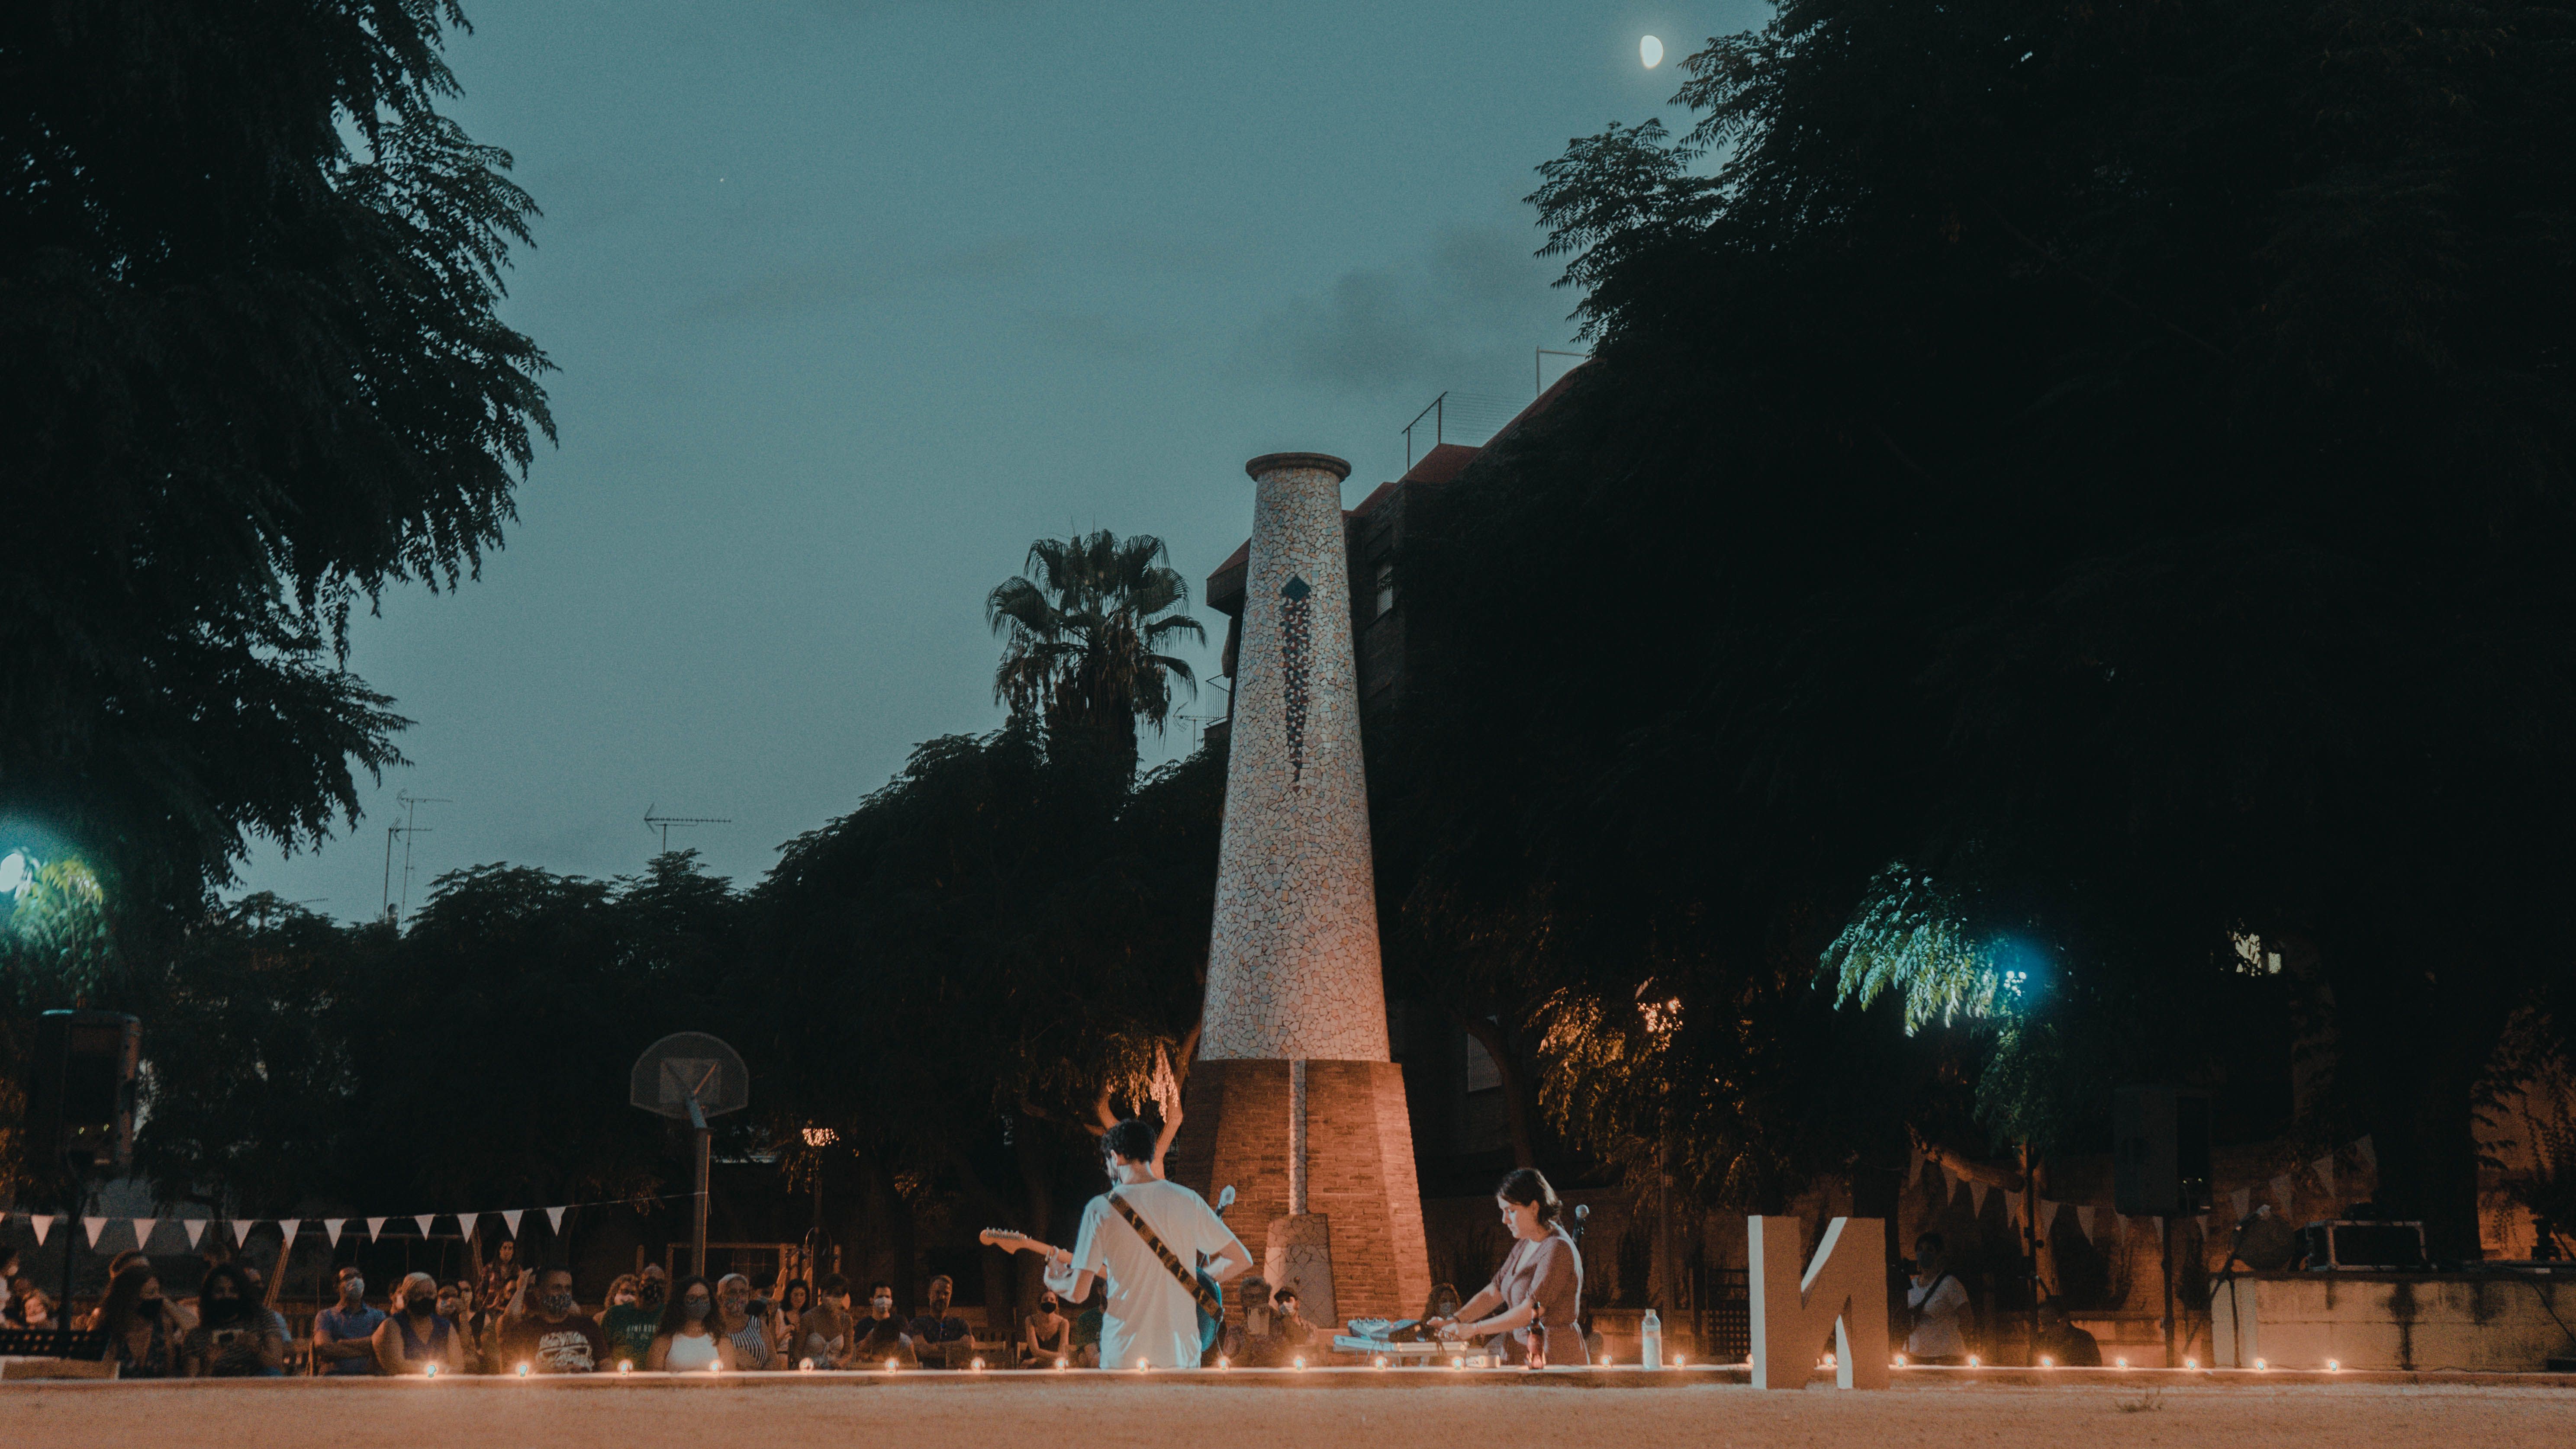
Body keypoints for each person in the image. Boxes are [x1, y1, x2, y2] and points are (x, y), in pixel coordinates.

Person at [1042, 1116, 1252, 1371]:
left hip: (1124, 1354)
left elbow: (1078, 1292)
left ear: (1115, 1157)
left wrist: (1054, 1280)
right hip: (1181, 1355)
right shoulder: (1188, 1200)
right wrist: (1192, 1280)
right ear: (1150, 1155)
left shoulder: (1100, 1208)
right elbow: (1241, 1259)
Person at [1426, 1167, 1588, 1366]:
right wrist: (1456, 1320)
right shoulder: (1525, 1244)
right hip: (1520, 1352)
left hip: (1553, 1357)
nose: (1504, 1220)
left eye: (1511, 1211)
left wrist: (1475, 1329)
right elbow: (1494, 1292)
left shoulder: (1557, 1249)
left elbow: (1530, 1312)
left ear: (1535, 1207)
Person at [183, 1262, 290, 1376]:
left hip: (256, 1388)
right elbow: (192, 1386)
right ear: (209, 1295)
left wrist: (257, 1350)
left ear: (242, 1293)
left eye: (233, 1291)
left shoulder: (262, 1318)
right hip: (217, 1390)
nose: (227, 1296)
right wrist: (209, 1364)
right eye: (220, 1291)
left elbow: (277, 1367)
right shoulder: (196, 1336)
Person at [498, 1264, 609, 1373]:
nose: (564, 1294)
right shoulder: (522, 1332)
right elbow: (511, 1374)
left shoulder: (588, 1326)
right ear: (538, 1293)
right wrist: (554, 1372)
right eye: (557, 1288)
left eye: (568, 1288)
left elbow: (606, 1365)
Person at [96, 1263, 182, 1378]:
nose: (159, 1298)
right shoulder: (109, 1331)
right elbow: (101, 1375)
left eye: (159, 1292)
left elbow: (170, 1373)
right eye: (151, 1293)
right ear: (131, 1299)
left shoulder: (163, 1326)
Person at [374, 1272, 467, 1375]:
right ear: (406, 1298)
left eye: (430, 1294)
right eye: (419, 1295)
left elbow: (458, 1366)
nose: (426, 1298)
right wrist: (438, 1369)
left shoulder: (445, 1326)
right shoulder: (392, 1325)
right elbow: (397, 1365)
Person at [646, 1275, 741, 1371]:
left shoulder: (721, 1341)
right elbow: (654, 1380)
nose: (699, 1303)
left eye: (704, 1298)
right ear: (680, 1302)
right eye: (692, 1298)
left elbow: (730, 1380)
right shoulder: (664, 1341)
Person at [1904, 1232, 1971, 1365]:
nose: (1924, 1254)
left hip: (1946, 1355)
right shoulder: (1912, 1286)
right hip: (1915, 1354)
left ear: (1939, 1255)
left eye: (1930, 1250)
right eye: (1920, 1250)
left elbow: (1968, 1320)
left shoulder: (1950, 1284)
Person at [311, 1266, 386, 1376]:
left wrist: (342, 1344)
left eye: (359, 1276)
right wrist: (367, 1351)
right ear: (336, 1287)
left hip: (368, 1378)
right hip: (334, 1377)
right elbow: (324, 1347)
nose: (355, 1280)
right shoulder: (326, 1316)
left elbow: (383, 1344)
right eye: (348, 1278)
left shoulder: (378, 1316)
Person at [715, 1274, 778, 1369]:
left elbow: (772, 1359)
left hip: (758, 1382)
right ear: (720, 1298)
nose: (739, 1297)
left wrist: (757, 1378)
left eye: (743, 1292)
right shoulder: (714, 1327)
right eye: (732, 1292)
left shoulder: (758, 1325)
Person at [908, 1273, 972, 1365]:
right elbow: (923, 1350)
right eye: (938, 1293)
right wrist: (955, 1349)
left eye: (946, 1294)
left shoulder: (960, 1324)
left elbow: (968, 1346)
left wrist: (937, 1346)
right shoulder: (917, 1324)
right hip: (928, 1374)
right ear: (929, 1294)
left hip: (955, 1374)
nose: (942, 1297)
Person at [598, 1273, 659, 1369]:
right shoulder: (602, 1317)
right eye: (625, 1292)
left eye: (633, 1293)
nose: (628, 1297)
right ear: (615, 1293)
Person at [853, 1281, 917, 1367]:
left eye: (887, 1297)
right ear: (871, 1300)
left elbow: (913, 1365)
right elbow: (859, 1352)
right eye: (880, 1297)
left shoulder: (902, 1326)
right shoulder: (864, 1326)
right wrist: (871, 1358)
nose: (884, 1300)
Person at [2034, 1298, 2102, 1367]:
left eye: (2052, 1322)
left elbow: (2096, 1367)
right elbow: (2032, 1368)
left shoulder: (2083, 1339)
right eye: (2043, 1323)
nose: (2046, 1328)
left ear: (2065, 1318)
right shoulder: (2040, 1341)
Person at [1020, 1289, 1070, 1366]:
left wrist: (1037, 1360)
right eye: (1045, 1300)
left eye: (1052, 1300)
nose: (1049, 1302)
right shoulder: (1030, 1320)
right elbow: (1035, 1351)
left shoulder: (1063, 1323)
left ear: (1057, 1303)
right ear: (1040, 1303)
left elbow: (1063, 1352)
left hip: (1053, 1364)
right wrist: (1057, 1356)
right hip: (1030, 1364)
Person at [775, 1280, 813, 1358]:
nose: (799, 1298)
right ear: (789, 1296)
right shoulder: (780, 1313)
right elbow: (773, 1343)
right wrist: (785, 1332)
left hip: (802, 1358)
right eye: (796, 1295)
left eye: (802, 1295)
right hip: (782, 1356)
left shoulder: (807, 1316)